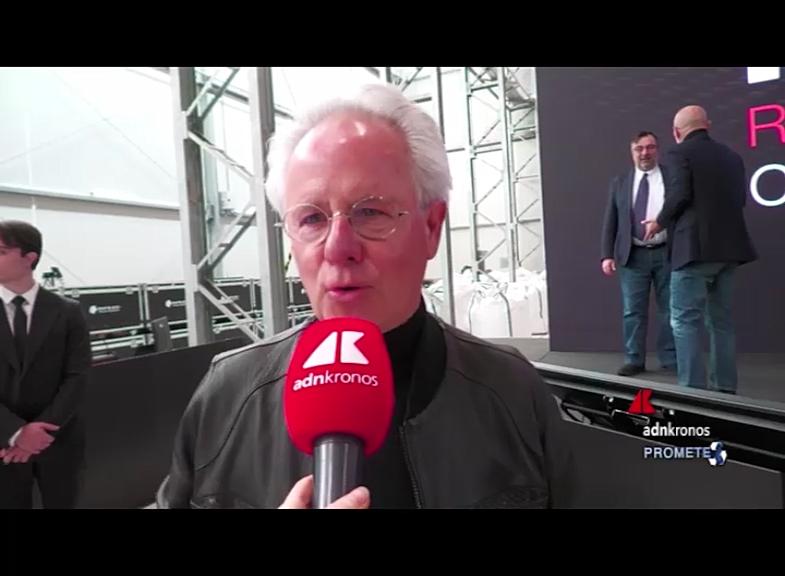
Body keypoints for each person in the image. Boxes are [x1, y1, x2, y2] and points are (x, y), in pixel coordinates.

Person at [156, 83, 574, 509]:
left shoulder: (511, 391)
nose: (338, 248)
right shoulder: (226, 396)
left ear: (432, 228)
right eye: (312, 218)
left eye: (370, 212)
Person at [642, 106, 757, 393]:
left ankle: (692, 393)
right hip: (730, 250)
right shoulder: (732, 156)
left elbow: (679, 195)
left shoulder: (678, 153)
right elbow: (740, 199)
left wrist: (658, 222)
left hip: (693, 250)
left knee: (684, 321)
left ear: (676, 132)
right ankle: (725, 389)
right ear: (708, 125)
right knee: (721, 322)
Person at [0, 220, 90, 508]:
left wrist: (39, 433)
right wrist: (16, 433)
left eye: (1, 251)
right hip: (4, 442)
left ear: (29, 258)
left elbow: (77, 376)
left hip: (58, 439)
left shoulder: (67, 312)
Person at [601, 131, 676, 376]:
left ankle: (670, 358)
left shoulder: (672, 177)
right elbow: (611, 220)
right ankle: (634, 359)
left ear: (657, 150)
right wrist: (606, 254)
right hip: (633, 255)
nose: (645, 153)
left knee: (670, 309)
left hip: (667, 252)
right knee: (633, 311)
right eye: (639, 148)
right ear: (632, 152)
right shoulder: (620, 182)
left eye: (650, 147)